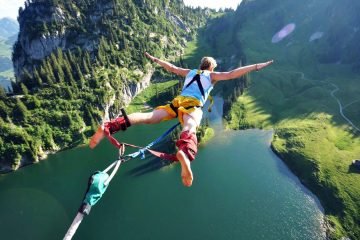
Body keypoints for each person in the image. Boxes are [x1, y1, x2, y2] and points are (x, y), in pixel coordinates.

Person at [90, 52, 273, 187]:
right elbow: (233, 73)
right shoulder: (212, 76)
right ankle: (184, 151)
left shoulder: (190, 72)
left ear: (201, 64)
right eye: (213, 68)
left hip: (177, 102)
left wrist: (155, 59)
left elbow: (170, 67)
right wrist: (256, 66)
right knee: (190, 125)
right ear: (211, 67)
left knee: (149, 117)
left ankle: (110, 125)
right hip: (192, 105)